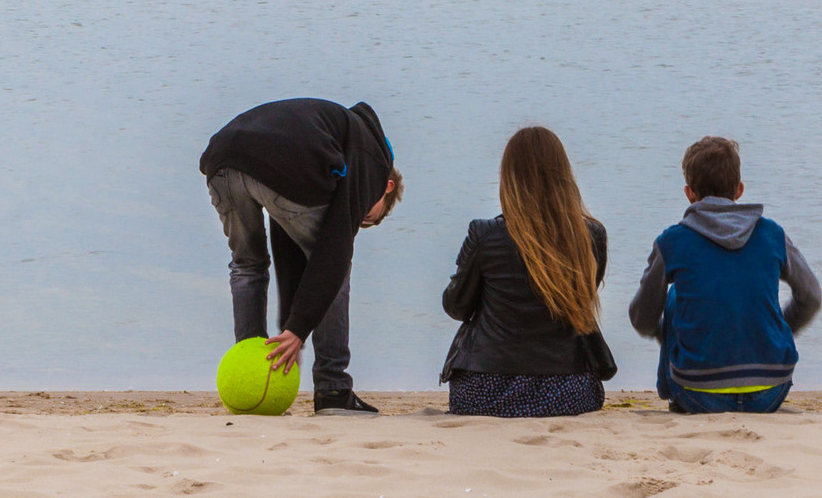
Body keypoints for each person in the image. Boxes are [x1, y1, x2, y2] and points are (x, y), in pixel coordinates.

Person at [201, 98, 402, 415]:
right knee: (337, 267)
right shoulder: (373, 165)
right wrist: (296, 329)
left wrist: (292, 326)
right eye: (367, 219)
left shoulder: (342, 136)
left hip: (222, 158)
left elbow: (289, 243)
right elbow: (331, 254)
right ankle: (334, 389)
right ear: (387, 187)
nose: (360, 221)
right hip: (278, 165)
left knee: (247, 264)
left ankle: (254, 370)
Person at [629, 135, 822, 414]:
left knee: (674, 296)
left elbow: (641, 318)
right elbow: (811, 296)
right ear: (740, 189)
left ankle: (671, 391)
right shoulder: (772, 234)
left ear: (689, 193)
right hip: (770, 389)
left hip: (696, 392)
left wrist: (665, 334)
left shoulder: (673, 241)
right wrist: (780, 326)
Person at [440, 126, 617, 417]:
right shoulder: (591, 236)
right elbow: (583, 299)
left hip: (485, 390)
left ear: (508, 178)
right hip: (568, 389)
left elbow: (456, 307)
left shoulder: (485, 235)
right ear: (564, 176)